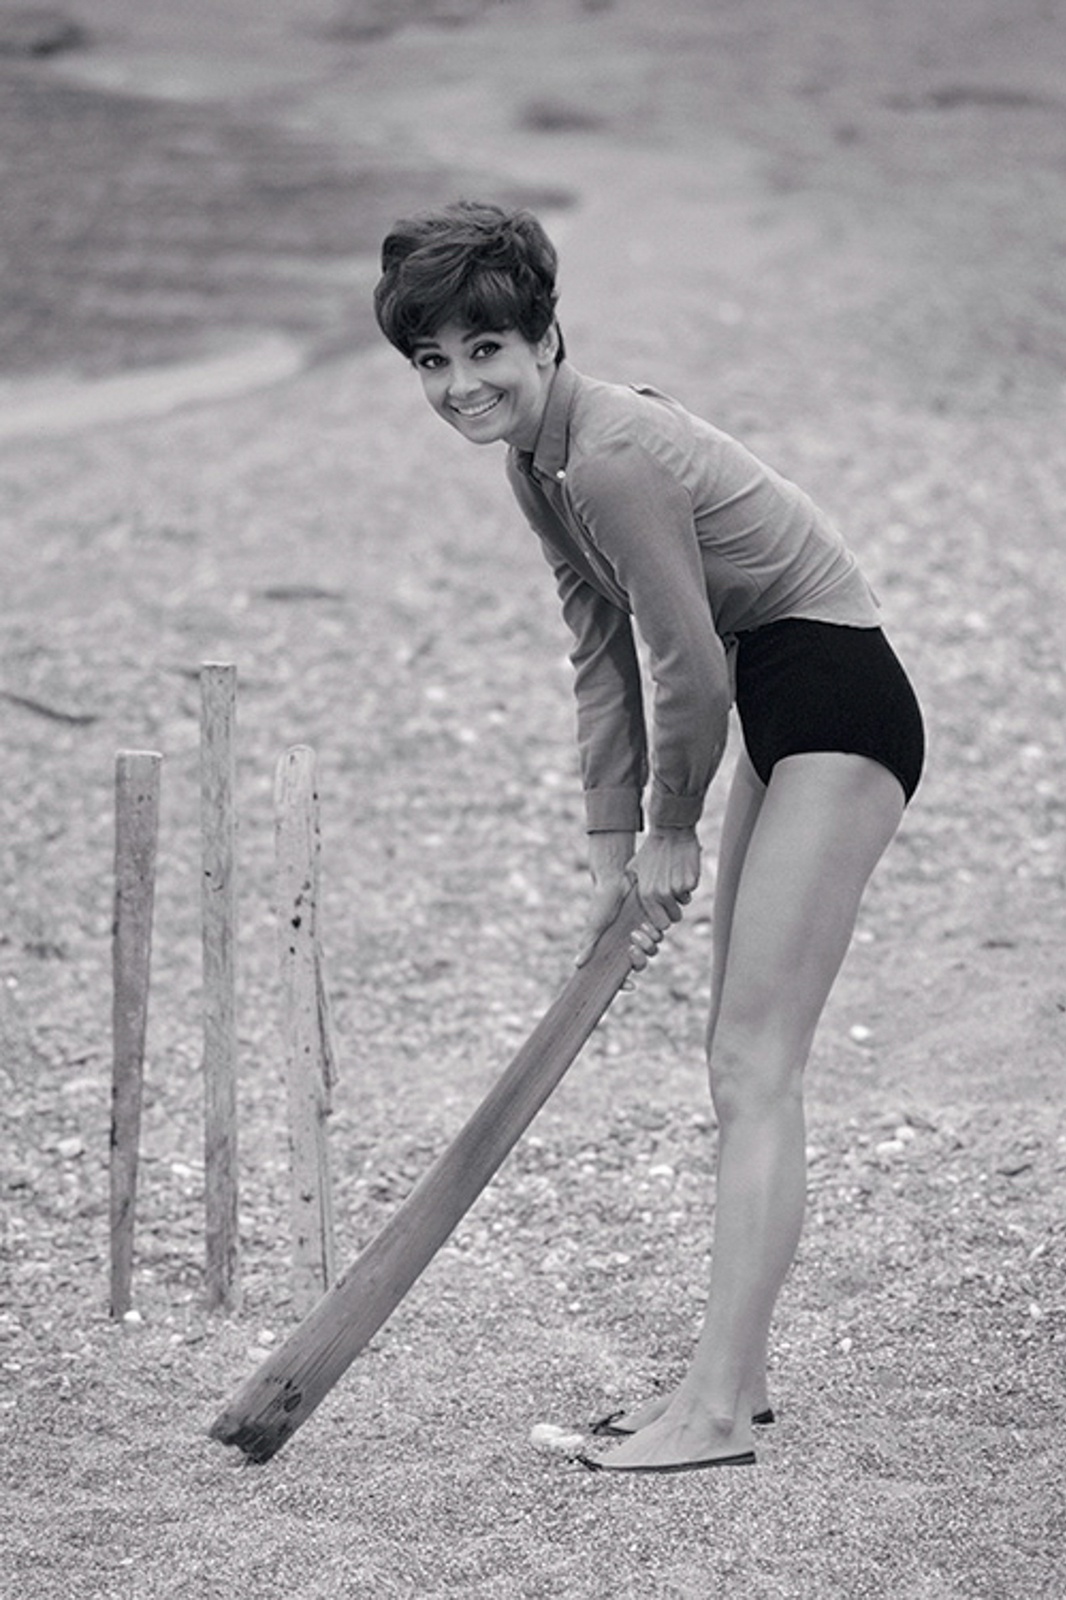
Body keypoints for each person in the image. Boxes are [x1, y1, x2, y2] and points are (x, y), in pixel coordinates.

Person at [373, 200, 924, 1475]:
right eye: (432, 361)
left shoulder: (611, 453)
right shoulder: (540, 465)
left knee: (754, 1063)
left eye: (485, 351)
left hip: (830, 701)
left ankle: (716, 1412)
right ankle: (737, 1380)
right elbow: (600, 655)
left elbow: (686, 662)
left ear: (545, 338)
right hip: (780, 700)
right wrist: (608, 843)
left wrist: (673, 824)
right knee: (738, 1061)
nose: (460, 385)